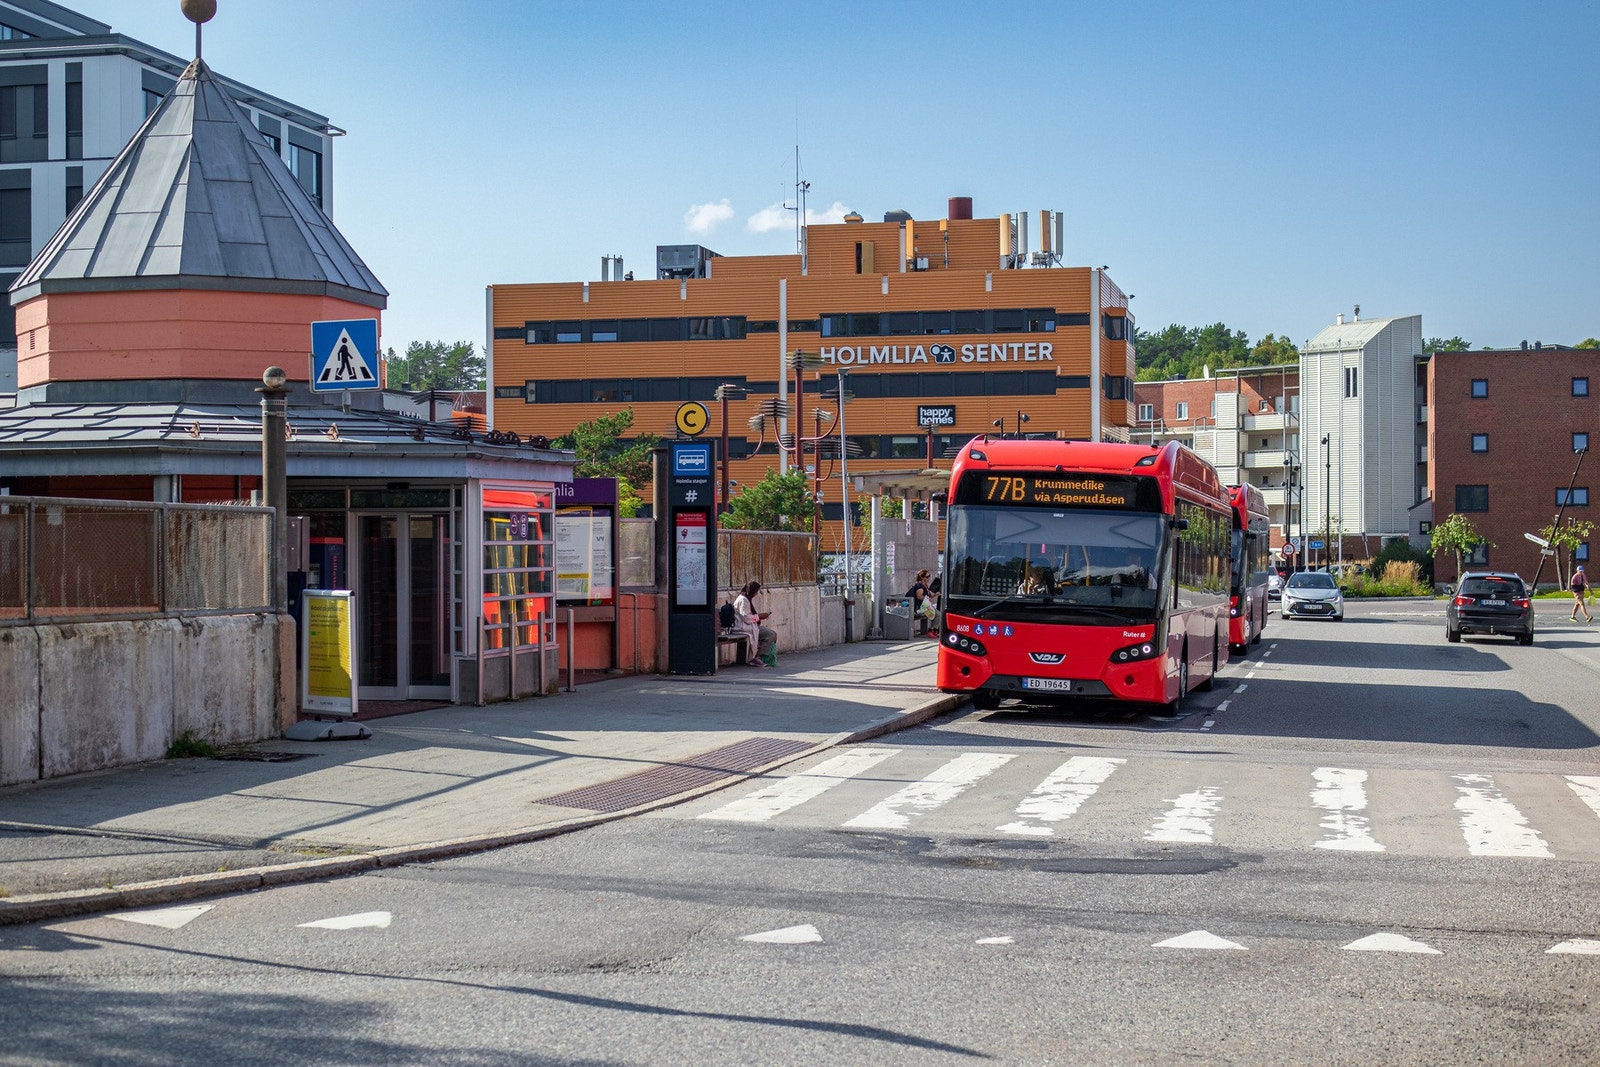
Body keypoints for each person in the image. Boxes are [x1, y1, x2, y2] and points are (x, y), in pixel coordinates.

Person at [733, 580, 778, 665]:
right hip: (743, 627)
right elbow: (746, 618)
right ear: (752, 591)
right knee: (770, 635)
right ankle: (756, 657)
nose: (756, 594)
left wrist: (760, 617)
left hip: (750, 626)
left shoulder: (746, 598)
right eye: (756, 592)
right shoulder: (743, 600)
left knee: (773, 634)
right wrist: (760, 616)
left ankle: (758, 656)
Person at [907, 569, 934, 635]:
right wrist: (927, 599)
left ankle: (932, 630)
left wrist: (935, 595)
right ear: (922, 577)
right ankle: (932, 630)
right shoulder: (919, 586)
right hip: (919, 607)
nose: (928, 578)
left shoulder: (925, 586)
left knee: (935, 613)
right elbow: (919, 596)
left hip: (924, 606)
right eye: (927, 577)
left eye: (929, 576)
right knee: (936, 614)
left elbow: (929, 596)